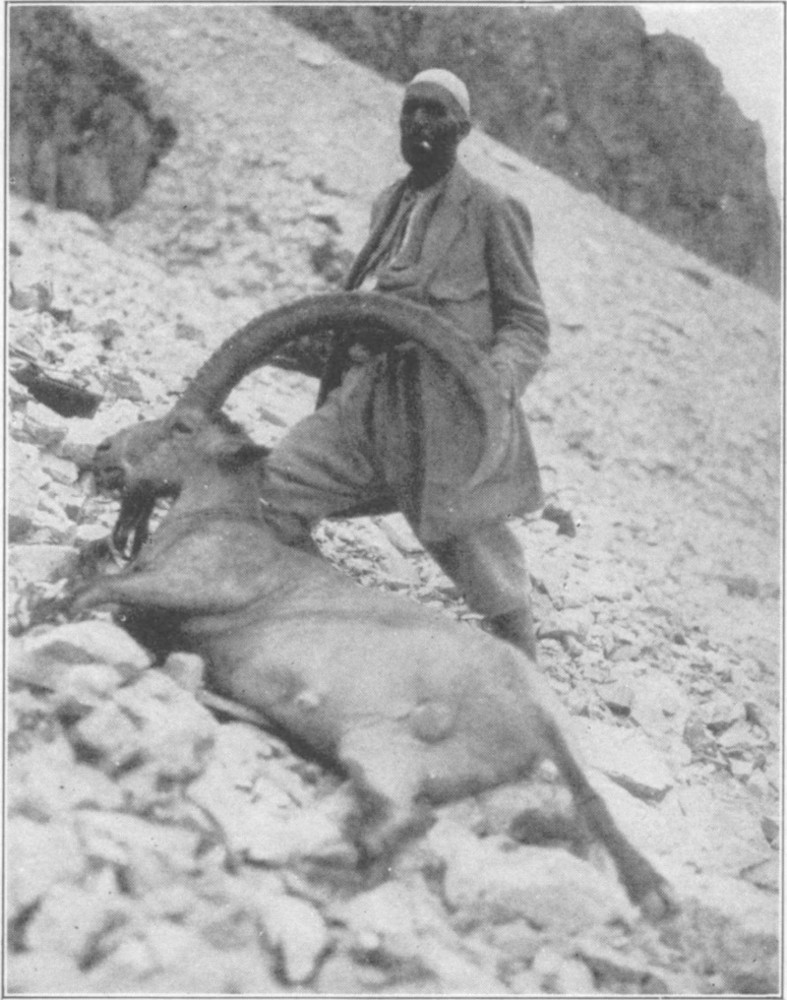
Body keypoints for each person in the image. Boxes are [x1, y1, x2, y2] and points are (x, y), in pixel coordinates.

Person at [261, 68, 550, 662]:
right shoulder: (388, 204)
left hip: (448, 409)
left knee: (476, 553)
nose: (419, 122)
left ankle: (524, 665)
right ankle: (336, 614)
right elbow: (369, 305)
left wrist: (494, 384)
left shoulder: (492, 209)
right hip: (369, 398)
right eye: (410, 109)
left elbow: (527, 324)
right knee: (278, 487)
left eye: (435, 112)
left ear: (461, 129)